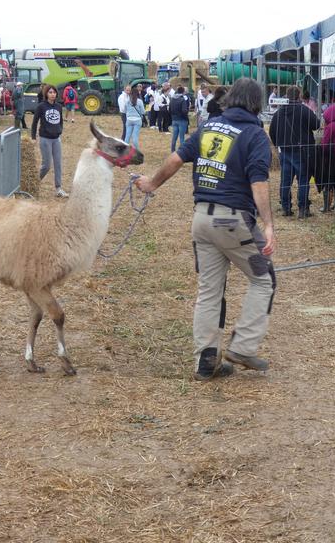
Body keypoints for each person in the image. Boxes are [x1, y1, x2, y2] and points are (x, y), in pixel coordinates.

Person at [135, 78, 276, 381]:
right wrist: (268, 224)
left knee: (210, 291)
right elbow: (258, 183)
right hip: (234, 222)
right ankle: (243, 346)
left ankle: (206, 360)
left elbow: (175, 158)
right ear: (256, 104)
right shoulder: (255, 135)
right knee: (264, 279)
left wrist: (151, 184)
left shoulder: (210, 126)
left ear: (230, 99)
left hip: (202, 220)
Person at [269, 86, 320, 219]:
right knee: (303, 181)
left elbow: (272, 131)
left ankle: (286, 208)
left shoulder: (279, 113)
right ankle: (303, 209)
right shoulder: (303, 110)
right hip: (301, 151)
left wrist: (278, 144)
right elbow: (316, 125)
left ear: (286, 96)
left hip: (284, 151)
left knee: (285, 181)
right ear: (299, 96)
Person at [31, 84, 68, 198]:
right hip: (45, 139)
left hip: (56, 139)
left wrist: (60, 130)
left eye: (54, 92)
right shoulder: (41, 106)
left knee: (58, 164)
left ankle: (58, 189)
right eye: (50, 92)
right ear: (46, 94)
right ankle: (33, 184)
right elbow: (34, 122)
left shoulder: (58, 107)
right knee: (46, 165)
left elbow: (60, 120)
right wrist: (33, 137)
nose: (52, 94)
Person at [169, 85, 190, 152]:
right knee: (182, 137)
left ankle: (172, 150)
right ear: (183, 92)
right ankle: (181, 152)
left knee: (174, 137)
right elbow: (184, 111)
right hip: (182, 120)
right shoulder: (182, 99)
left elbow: (169, 109)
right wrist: (186, 115)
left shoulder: (172, 99)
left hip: (174, 119)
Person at [125, 85, 145, 151]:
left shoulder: (128, 101)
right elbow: (143, 112)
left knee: (127, 136)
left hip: (129, 119)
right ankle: (136, 151)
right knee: (135, 137)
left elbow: (125, 110)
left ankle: (125, 150)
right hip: (137, 120)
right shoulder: (139, 101)